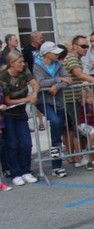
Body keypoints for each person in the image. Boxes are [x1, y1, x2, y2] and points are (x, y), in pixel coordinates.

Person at [33, 41, 72, 178]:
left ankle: (57, 166)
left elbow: (68, 79)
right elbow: (40, 82)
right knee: (55, 121)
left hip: (58, 101)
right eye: (54, 52)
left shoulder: (59, 64)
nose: (57, 54)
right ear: (46, 54)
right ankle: (55, 160)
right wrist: (58, 79)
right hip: (44, 101)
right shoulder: (37, 65)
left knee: (58, 131)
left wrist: (57, 85)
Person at [0, 51, 39, 186]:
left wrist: (34, 93)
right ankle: (15, 173)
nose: (22, 64)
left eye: (23, 62)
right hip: (8, 115)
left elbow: (34, 83)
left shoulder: (24, 70)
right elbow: (7, 100)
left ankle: (26, 170)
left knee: (26, 143)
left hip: (21, 114)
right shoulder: (3, 76)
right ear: (11, 63)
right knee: (12, 145)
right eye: (19, 62)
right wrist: (27, 99)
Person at [62, 35, 94, 166]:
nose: (86, 49)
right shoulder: (72, 58)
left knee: (77, 129)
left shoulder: (77, 58)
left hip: (75, 98)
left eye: (87, 46)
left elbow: (78, 77)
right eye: (83, 46)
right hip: (70, 100)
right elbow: (79, 74)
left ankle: (80, 156)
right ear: (74, 46)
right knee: (83, 128)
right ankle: (82, 157)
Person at [76, 87, 94, 171]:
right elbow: (81, 99)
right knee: (92, 133)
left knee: (93, 138)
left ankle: (88, 157)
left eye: (91, 97)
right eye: (88, 97)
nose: (91, 99)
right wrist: (85, 88)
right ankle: (87, 156)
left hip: (92, 124)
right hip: (82, 124)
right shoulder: (83, 104)